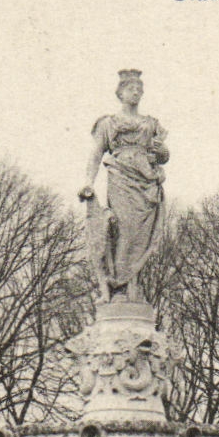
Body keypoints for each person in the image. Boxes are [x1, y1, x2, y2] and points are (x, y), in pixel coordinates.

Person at [78, 69, 169, 302]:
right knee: (123, 230)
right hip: (121, 177)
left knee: (141, 236)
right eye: (131, 89)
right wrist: (88, 181)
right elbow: (96, 153)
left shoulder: (151, 124)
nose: (136, 93)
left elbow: (163, 155)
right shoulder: (109, 123)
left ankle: (132, 289)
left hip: (146, 183)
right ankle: (118, 287)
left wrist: (162, 152)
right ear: (120, 93)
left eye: (140, 89)